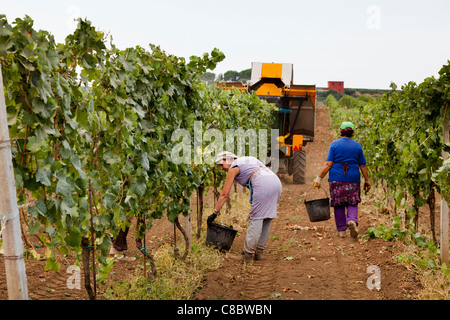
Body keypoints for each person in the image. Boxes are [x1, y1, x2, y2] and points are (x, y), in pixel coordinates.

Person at [208, 151, 282, 262]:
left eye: (221, 165)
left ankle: (247, 255)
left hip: (263, 184)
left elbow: (224, 195)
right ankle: (259, 253)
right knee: (266, 218)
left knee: (256, 219)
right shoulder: (247, 159)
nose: (221, 169)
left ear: (226, 159)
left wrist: (215, 213)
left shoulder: (234, 167)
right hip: (275, 182)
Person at [313, 121, 371, 238]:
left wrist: (319, 178)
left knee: (338, 204)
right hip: (353, 179)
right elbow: (363, 166)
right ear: (353, 132)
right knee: (352, 201)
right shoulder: (357, 146)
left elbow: (328, 164)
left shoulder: (334, 145)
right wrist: (367, 180)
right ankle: (352, 221)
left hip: (336, 179)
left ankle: (342, 230)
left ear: (341, 131)